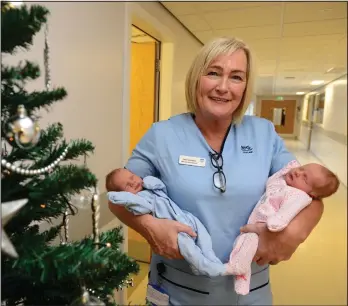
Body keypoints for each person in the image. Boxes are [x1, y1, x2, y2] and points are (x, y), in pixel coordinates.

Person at [108, 37, 324, 305]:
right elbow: (118, 197)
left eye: (236, 77)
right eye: (213, 73)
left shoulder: (263, 134)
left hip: (248, 291)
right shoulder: (162, 135)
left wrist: (294, 233)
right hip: (177, 289)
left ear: (246, 86)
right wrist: (149, 226)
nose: (223, 87)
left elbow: (312, 193)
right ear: (196, 78)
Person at [228, 160, 339, 295]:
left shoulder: (299, 197)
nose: (298, 172)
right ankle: (238, 268)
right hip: (254, 224)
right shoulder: (283, 184)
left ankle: (241, 275)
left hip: (265, 228)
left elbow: (288, 211)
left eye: (305, 178)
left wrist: (275, 225)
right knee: (242, 243)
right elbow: (276, 177)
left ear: (311, 194)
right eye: (302, 168)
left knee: (247, 246)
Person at [106, 168, 228, 277]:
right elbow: (143, 208)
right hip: (173, 227)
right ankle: (205, 267)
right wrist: (128, 199)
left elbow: (161, 187)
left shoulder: (150, 189)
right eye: (127, 185)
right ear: (123, 194)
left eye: (132, 177)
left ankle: (211, 257)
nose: (133, 182)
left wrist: (149, 182)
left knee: (203, 236)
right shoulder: (138, 200)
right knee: (188, 247)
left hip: (185, 217)